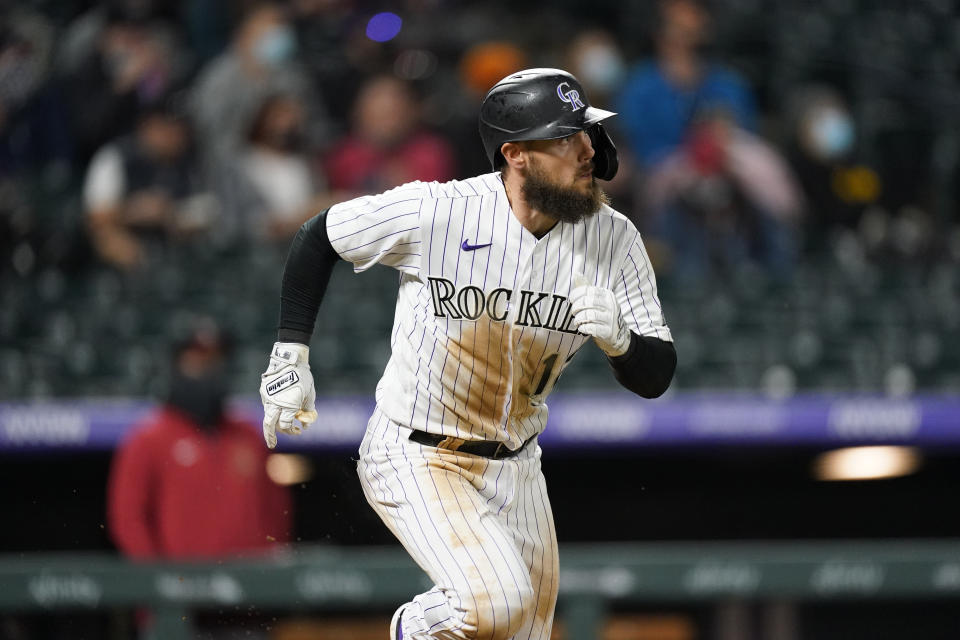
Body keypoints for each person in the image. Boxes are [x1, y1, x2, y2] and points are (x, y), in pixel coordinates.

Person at [258, 68, 676, 640]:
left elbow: (656, 376)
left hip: (517, 466)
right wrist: (290, 354)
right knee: (493, 603)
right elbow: (319, 235)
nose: (586, 151)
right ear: (516, 155)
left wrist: (622, 344)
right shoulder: (441, 211)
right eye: (564, 138)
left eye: (586, 133)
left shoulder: (615, 238)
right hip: (417, 451)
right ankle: (413, 628)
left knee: (523, 629)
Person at [109, 324, 292, 560]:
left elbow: (276, 510)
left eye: (216, 361)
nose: (209, 371)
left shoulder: (248, 434)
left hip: (249, 587)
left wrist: (265, 569)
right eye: (198, 362)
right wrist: (158, 581)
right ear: (176, 366)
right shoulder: (148, 438)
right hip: (181, 587)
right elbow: (128, 519)